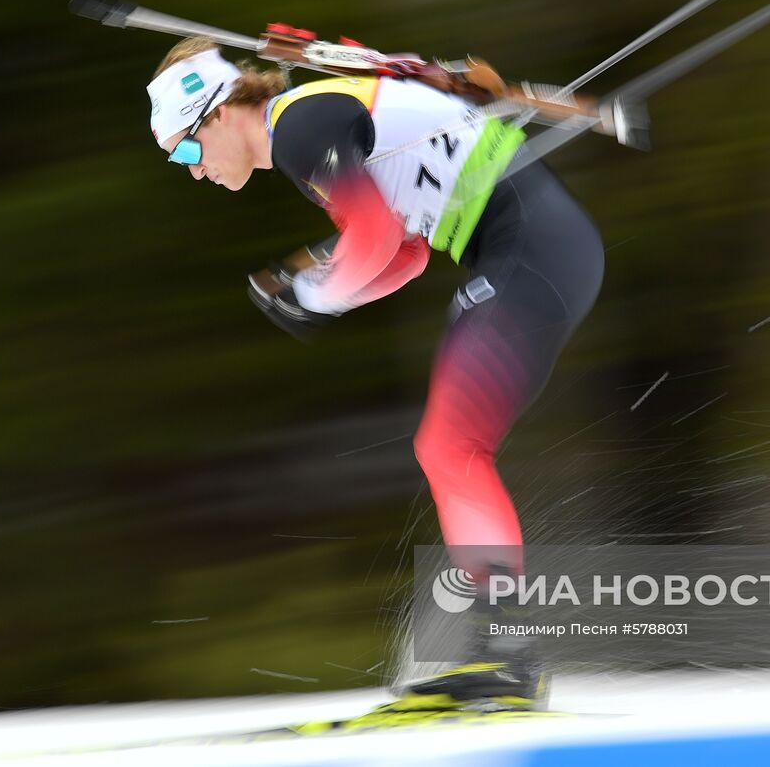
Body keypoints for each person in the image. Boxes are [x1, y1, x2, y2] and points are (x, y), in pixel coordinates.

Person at [146, 37, 604, 710]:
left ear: (216, 113)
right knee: (449, 447)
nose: (192, 170)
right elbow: (406, 253)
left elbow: (376, 238)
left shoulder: (300, 124)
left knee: (450, 447)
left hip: (530, 249)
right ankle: (506, 650)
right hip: (539, 248)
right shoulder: (309, 127)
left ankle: (508, 654)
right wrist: (320, 289)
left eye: (185, 149)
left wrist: (317, 293)